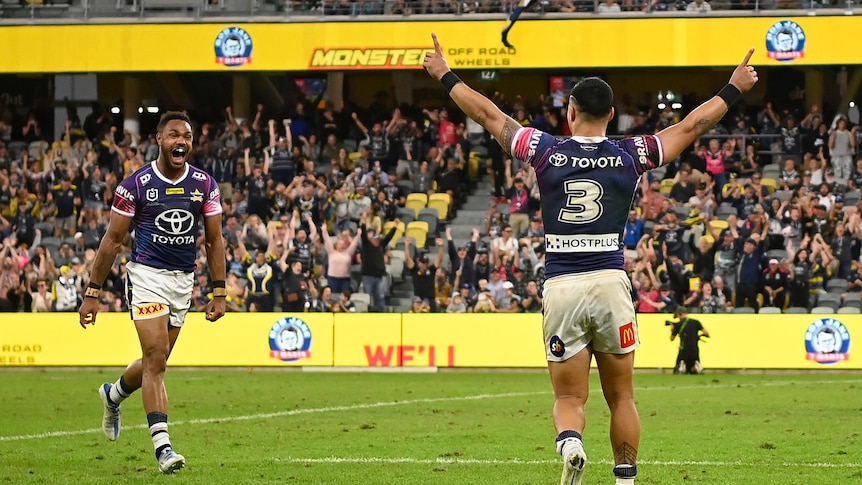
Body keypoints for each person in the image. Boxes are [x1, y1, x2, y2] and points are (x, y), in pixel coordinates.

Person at [423, 33, 758, 485]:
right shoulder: (631, 153)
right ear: (612, 115)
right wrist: (733, 86)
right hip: (610, 282)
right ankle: (624, 479)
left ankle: (571, 443)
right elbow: (693, 126)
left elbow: (487, 113)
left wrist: (444, 74)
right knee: (622, 397)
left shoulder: (545, 150)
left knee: (570, 399)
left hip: (562, 283)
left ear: (570, 112)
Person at [77, 112, 227, 474]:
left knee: (153, 363)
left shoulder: (205, 185)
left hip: (182, 281)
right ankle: (163, 448)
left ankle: (113, 395)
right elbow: (112, 241)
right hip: (146, 276)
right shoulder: (136, 186)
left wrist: (219, 290)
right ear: (159, 140)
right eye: (174, 134)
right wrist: (93, 292)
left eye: (188, 137)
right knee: (156, 359)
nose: (182, 141)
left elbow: (215, 239)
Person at [669, 307, 710, 374]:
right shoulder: (696, 322)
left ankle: (682, 367)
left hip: (684, 348)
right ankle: (696, 366)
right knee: (694, 360)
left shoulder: (677, 325)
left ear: (679, 314)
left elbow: (671, 339)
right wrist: (699, 336)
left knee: (682, 359)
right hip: (694, 347)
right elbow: (706, 333)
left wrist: (672, 330)